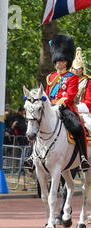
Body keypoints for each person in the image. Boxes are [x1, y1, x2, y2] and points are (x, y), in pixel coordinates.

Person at [26, 34, 89, 171]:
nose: (59, 63)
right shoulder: (51, 77)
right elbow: (47, 94)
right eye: (57, 61)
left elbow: (71, 95)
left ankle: (83, 157)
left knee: (78, 127)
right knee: (35, 126)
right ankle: (32, 157)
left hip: (65, 108)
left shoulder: (71, 77)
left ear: (66, 61)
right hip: (50, 107)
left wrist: (60, 104)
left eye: (61, 61)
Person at [71, 47, 91, 113]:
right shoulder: (67, 80)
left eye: (79, 68)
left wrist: (78, 107)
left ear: (82, 70)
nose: (76, 70)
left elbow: (89, 100)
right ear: (71, 69)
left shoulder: (88, 81)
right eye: (74, 68)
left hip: (83, 107)